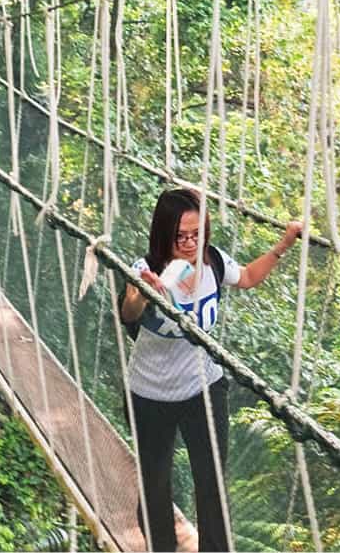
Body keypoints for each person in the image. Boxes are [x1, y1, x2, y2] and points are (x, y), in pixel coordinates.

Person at [119, 188, 303, 552]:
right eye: (180, 235)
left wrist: (284, 244)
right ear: (163, 233)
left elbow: (248, 276)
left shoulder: (214, 262)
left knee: (212, 481)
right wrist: (142, 291)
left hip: (204, 386)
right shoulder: (146, 269)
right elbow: (129, 313)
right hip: (149, 392)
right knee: (155, 482)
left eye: (196, 233)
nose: (189, 243)